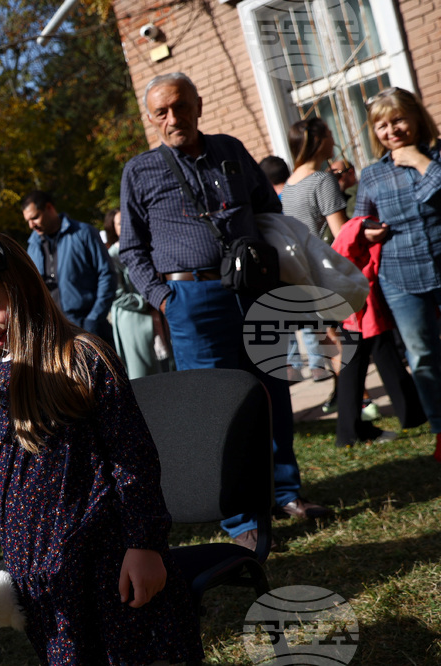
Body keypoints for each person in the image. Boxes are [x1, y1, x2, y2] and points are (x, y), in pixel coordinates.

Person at [0, 231, 202, 665]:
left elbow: (132, 459)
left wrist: (145, 544)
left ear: (23, 290)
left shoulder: (80, 359)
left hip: (111, 567)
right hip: (44, 584)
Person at [119, 72, 329, 550]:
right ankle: (240, 519)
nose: (174, 118)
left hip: (254, 291)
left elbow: (269, 211)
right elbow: (132, 249)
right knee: (217, 410)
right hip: (191, 303)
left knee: (270, 393)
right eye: (162, 112)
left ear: (198, 103)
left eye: (181, 106)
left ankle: (285, 492)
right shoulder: (139, 171)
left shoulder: (232, 149)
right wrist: (163, 297)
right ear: (151, 119)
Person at [355, 86, 441, 463]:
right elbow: (361, 219)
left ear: (417, 118)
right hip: (401, 277)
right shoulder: (372, 175)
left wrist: (419, 161)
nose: (391, 131)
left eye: (398, 120)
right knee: (422, 356)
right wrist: (367, 228)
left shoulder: (437, 157)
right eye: (382, 125)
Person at [331, 217, 426, 447]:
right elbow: (341, 241)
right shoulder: (350, 222)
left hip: (354, 297)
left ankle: (412, 415)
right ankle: (349, 432)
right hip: (358, 299)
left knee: (382, 353)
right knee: (361, 359)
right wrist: (363, 227)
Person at [280, 117, 349, 386]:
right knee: (344, 343)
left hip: (303, 275)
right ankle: (357, 402)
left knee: (330, 341)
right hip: (328, 273)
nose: (334, 139)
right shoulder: (322, 180)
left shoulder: (289, 185)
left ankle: (347, 398)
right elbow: (341, 233)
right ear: (319, 142)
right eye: (331, 134)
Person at [21, 191, 115, 341]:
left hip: (90, 327)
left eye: (35, 217)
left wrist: (93, 319)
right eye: (28, 221)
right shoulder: (32, 245)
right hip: (54, 332)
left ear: (49, 208)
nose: (31, 225)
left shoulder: (84, 233)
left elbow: (107, 274)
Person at [105, 208, 173, 379]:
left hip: (161, 316)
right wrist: (148, 299)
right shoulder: (112, 256)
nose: (126, 226)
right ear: (113, 228)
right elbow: (116, 294)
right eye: (120, 223)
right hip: (134, 322)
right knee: (144, 377)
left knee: (171, 372)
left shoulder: (150, 249)